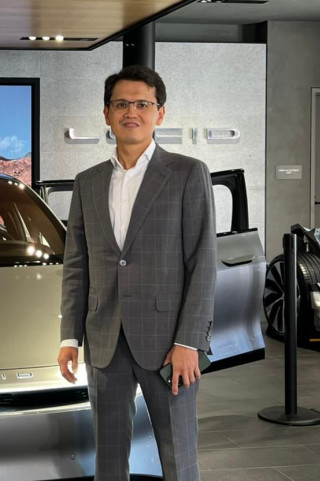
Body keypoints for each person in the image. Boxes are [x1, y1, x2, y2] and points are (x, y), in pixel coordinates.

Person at [57, 64, 216, 481]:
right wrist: (70, 336)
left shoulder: (187, 173)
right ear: (106, 113)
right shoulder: (87, 182)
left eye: (143, 104)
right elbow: (77, 265)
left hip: (169, 344)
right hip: (104, 340)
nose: (132, 112)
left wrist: (189, 341)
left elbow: (202, 262)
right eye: (122, 104)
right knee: (109, 461)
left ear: (159, 113)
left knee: (179, 457)